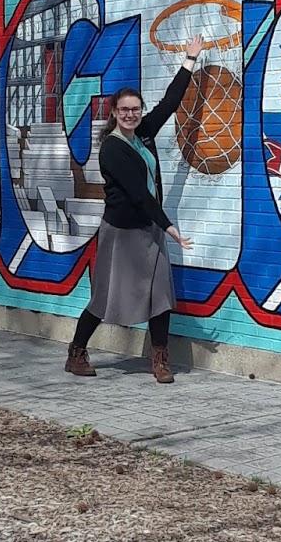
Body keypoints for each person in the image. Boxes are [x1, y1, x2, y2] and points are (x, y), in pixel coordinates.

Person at [65, 34, 204, 384]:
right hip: (122, 232)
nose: (131, 115)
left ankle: (160, 359)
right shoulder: (112, 149)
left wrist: (189, 60)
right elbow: (139, 195)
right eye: (124, 110)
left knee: (160, 296)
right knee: (105, 297)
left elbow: (170, 102)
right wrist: (169, 227)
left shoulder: (143, 133)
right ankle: (77, 351)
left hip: (150, 228)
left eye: (135, 109)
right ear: (114, 113)